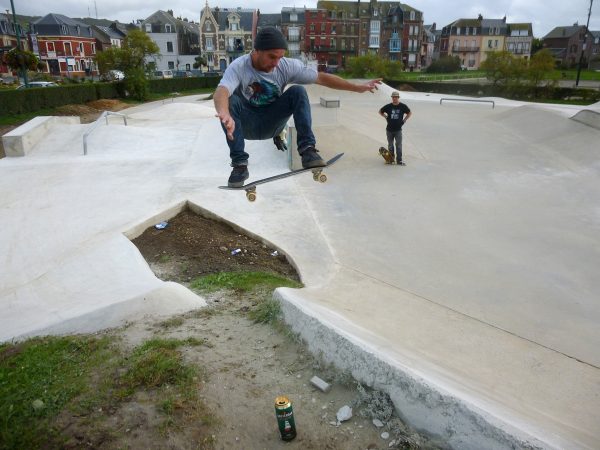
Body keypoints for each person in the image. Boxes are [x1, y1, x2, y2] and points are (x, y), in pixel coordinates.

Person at [214, 27, 382, 187]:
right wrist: (224, 112)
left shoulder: (286, 66)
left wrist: (357, 87)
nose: (276, 63)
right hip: (245, 125)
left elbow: (321, 78)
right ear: (256, 51)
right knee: (232, 100)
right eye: (272, 57)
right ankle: (239, 165)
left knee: (298, 91)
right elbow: (222, 90)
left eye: (280, 57)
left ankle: (308, 151)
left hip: (272, 123)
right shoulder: (239, 66)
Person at [379, 91, 411, 166]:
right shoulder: (388, 106)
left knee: (399, 145)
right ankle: (391, 159)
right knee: (390, 145)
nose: (395, 98)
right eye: (393, 97)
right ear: (392, 98)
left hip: (398, 130)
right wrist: (385, 116)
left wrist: (404, 120)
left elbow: (409, 113)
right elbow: (380, 111)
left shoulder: (403, 106)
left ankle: (399, 160)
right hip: (389, 130)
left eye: (396, 97)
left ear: (398, 97)